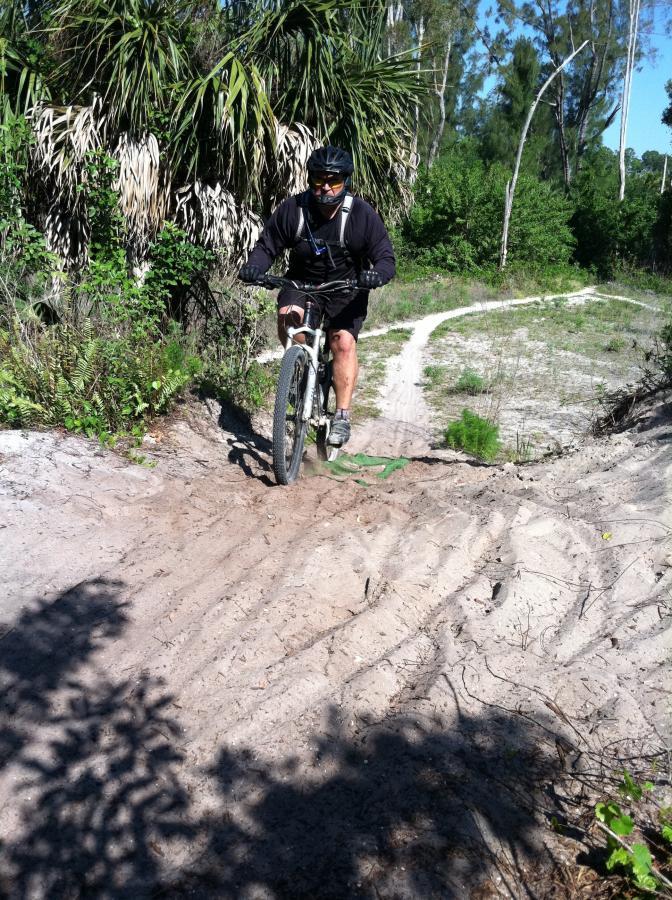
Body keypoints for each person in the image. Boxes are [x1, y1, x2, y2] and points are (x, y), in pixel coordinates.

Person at [239, 145, 395, 447]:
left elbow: (385, 257)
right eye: (319, 180)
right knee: (288, 318)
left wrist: (376, 275)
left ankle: (341, 416)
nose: (325, 187)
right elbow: (267, 246)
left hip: (346, 289)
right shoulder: (294, 209)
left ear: (345, 182)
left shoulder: (360, 215)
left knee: (343, 342)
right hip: (301, 283)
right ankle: (298, 372)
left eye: (333, 181)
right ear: (310, 179)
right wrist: (254, 268)